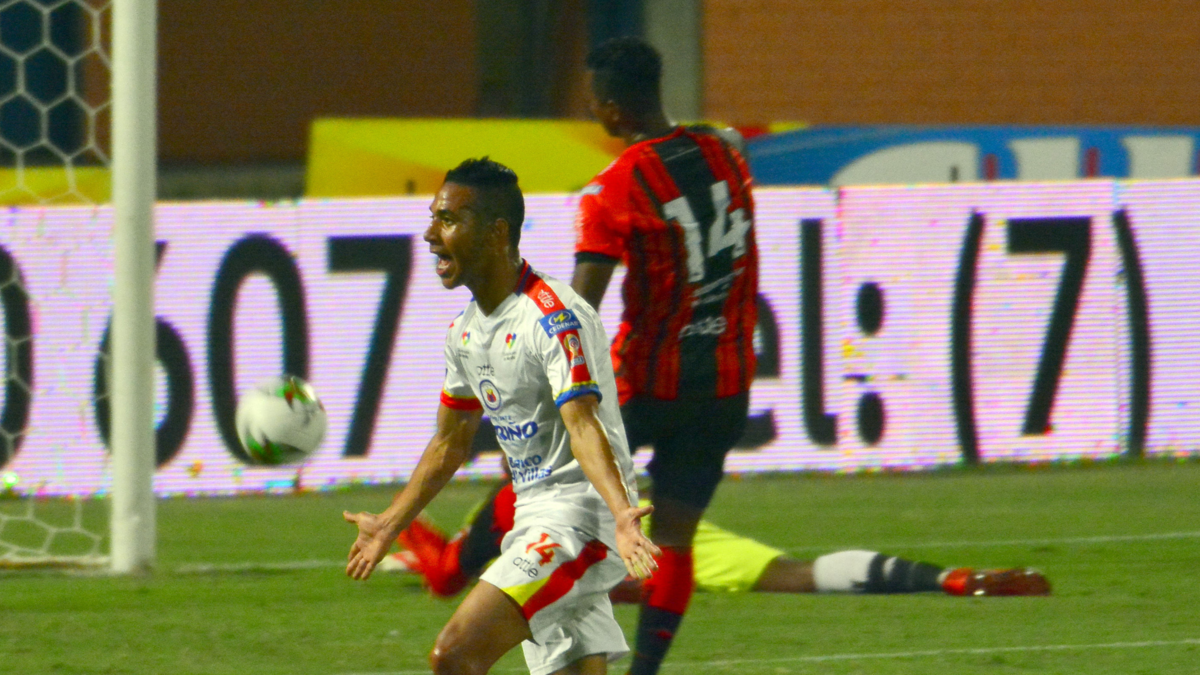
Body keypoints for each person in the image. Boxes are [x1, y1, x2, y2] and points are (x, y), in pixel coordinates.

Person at [343, 157, 661, 675]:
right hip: (534, 518)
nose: (430, 235)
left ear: (496, 233)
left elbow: (583, 424)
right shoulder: (465, 332)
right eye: (433, 218)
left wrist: (622, 514)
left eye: (448, 220)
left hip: (582, 523)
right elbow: (449, 442)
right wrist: (388, 524)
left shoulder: (554, 317)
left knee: (454, 655)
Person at [569, 36, 762, 675]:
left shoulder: (612, 189)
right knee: (675, 536)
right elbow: (720, 140)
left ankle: (463, 570)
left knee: (551, 493)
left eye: (595, 102)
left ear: (614, 109)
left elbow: (580, 307)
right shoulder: (727, 154)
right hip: (726, 383)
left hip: (648, 385)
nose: (592, 111)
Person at [381, 478, 1052, 601]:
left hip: (619, 553)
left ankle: (950, 579)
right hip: (653, 522)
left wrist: (404, 527)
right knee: (796, 574)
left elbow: (448, 576)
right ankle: (951, 579)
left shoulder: (506, 502)